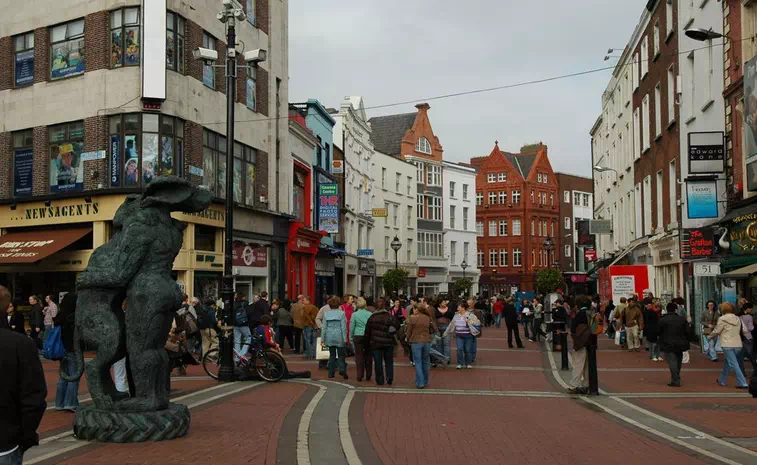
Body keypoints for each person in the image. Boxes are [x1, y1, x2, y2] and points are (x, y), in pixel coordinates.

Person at [0, 285, 47, 465]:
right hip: (7, 439)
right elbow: (34, 396)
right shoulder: (20, 345)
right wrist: (25, 433)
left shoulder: (19, 344)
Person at [710, 303, 748, 389]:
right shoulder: (738, 318)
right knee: (728, 362)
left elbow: (717, 330)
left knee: (734, 363)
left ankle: (743, 382)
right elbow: (745, 330)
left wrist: (709, 336)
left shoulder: (722, 319)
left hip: (727, 343)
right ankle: (721, 379)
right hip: (738, 344)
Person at [53, 293, 80, 411]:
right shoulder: (73, 317)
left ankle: (59, 403)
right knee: (74, 376)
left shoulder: (60, 317)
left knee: (63, 376)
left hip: (61, 349)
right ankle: (70, 402)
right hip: (72, 349)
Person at [364, 299, 400, 386]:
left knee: (377, 361)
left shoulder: (372, 318)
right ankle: (389, 376)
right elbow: (397, 326)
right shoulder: (390, 316)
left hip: (375, 343)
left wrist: (366, 344)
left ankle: (380, 380)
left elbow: (367, 332)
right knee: (389, 360)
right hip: (388, 342)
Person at [658, 302, 690, 387]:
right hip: (680, 343)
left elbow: (658, 332)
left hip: (668, 343)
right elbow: (688, 332)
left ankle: (676, 380)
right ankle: (675, 378)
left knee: (672, 362)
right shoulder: (682, 319)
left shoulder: (663, 319)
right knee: (678, 362)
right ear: (675, 309)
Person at [444, 301, 479, 369]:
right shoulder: (456, 315)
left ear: (463, 308)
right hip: (459, 335)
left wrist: (469, 321)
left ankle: (468, 363)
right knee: (459, 349)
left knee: (468, 350)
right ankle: (460, 363)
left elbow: (477, 322)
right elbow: (451, 325)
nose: (457, 308)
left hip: (468, 336)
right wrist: (446, 332)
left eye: (459, 307)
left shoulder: (470, 315)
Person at [406, 304, 434, 389]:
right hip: (426, 340)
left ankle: (420, 382)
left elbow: (409, 331)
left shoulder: (412, 318)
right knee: (425, 361)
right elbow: (431, 329)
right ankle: (425, 380)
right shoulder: (427, 318)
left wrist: (407, 339)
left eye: (414, 309)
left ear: (417, 310)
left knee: (417, 362)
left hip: (416, 341)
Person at [567, 299, 591, 394]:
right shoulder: (592, 314)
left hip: (580, 343)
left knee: (578, 365)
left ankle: (574, 385)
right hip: (590, 343)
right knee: (588, 366)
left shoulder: (578, 315)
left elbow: (573, 330)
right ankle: (586, 385)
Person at [322, 296, 348, 380]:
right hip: (339, 335)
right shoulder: (342, 313)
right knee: (341, 355)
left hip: (329, 335)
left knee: (332, 355)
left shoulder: (326, 314)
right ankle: (342, 369)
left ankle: (331, 373)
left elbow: (324, 328)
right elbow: (343, 327)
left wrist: (323, 338)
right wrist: (345, 338)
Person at [350, 297, 374, 382]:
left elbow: (352, 327)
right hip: (367, 336)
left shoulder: (354, 314)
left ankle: (359, 375)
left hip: (358, 335)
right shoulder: (370, 314)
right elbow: (371, 327)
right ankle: (368, 374)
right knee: (368, 355)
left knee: (359, 356)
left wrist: (351, 337)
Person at [112, 299, 129, 395]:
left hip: (113, 346)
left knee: (118, 372)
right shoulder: (126, 316)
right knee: (120, 373)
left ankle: (119, 392)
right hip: (122, 347)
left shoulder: (113, 316)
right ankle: (121, 392)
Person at [232, 293, 251, 361]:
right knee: (249, 338)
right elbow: (248, 313)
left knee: (237, 341)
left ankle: (237, 358)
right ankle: (241, 354)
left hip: (235, 324)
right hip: (243, 324)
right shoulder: (245, 304)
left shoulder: (233, 304)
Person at [434, 299, 453, 364]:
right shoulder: (435, 310)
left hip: (447, 328)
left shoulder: (449, 310)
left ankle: (447, 358)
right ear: (440, 304)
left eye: (445, 302)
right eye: (443, 302)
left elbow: (452, 319)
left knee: (446, 343)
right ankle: (440, 358)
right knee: (439, 344)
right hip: (438, 328)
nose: (445, 303)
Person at [741, 303, 757, 376]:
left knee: (740, 356)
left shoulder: (738, 316)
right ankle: (755, 370)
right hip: (748, 337)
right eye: (751, 308)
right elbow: (751, 328)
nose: (751, 310)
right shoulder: (749, 317)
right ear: (747, 309)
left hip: (740, 338)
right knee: (752, 356)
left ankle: (742, 372)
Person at [468, 299, 483, 363]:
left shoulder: (477, 312)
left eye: (470, 303)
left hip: (474, 330)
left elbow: (480, 321)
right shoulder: (464, 311)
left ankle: (472, 357)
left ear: (473, 304)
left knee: (473, 343)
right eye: (468, 303)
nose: (469, 305)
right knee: (468, 343)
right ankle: (468, 356)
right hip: (466, 330)